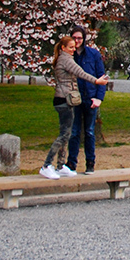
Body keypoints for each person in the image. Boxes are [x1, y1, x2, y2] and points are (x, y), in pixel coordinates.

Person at [40, 35, 109, 180]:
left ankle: (60, 166)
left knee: (66, 133)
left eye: (74, 47)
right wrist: (96, 81)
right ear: (63, 48)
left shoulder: (64, 58)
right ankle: (46, 165)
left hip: (65, 99)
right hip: (64, 99)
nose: (73, 49)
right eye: (70, 47)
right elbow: (81, 73)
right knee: (64, 135)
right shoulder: (65, 60)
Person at [66, 25, 107, 175]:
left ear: (84, 39)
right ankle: (71, 163)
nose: (77, 41)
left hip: (90, 98)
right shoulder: (68, 56)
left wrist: (99, 98)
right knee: (74, 132)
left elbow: (101, 77)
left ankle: (90, 163)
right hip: (74, 99)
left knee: (89, 132)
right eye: (74, 38)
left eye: (79, 38)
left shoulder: (93, 55)